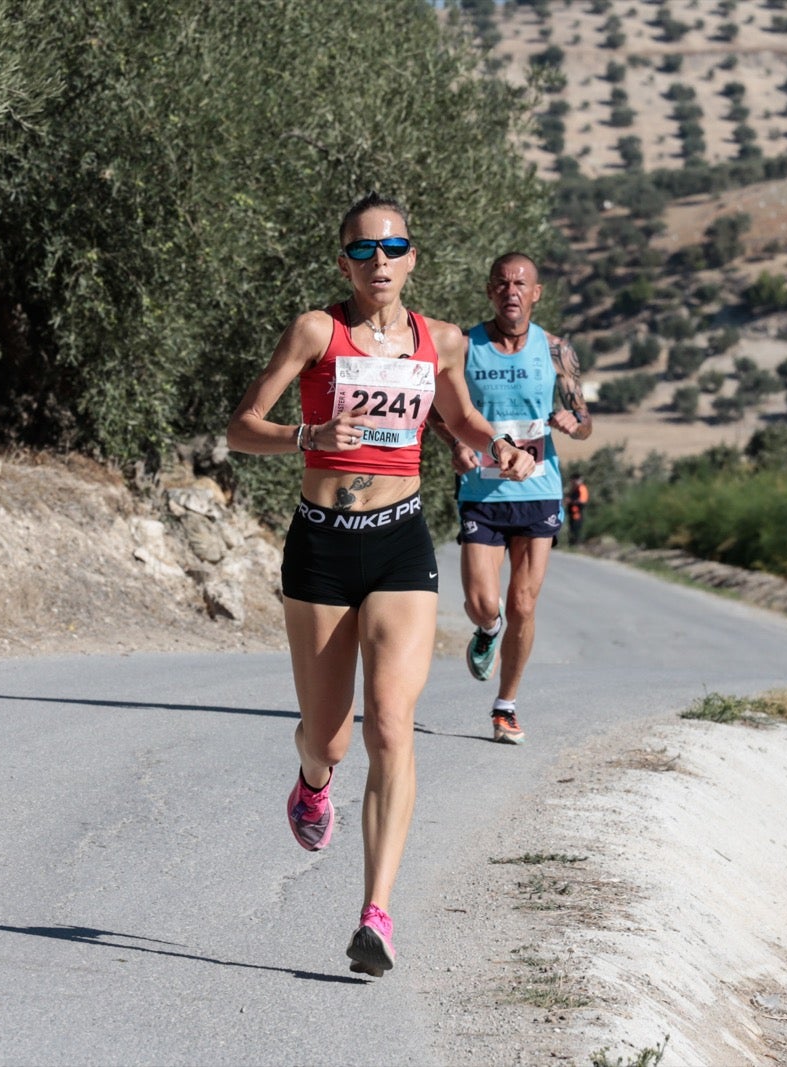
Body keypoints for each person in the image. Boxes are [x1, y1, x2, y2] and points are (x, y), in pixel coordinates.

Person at [225, 193, 535, 979]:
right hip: (322, 549)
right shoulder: (316, 331)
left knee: (391, 726)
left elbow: (458, 422)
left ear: (413, 257)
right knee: (327, 736)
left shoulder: (443, 341)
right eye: (364, 252)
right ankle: (311, 782)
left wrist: (501, 446)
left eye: (393, 248)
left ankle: (376, 913)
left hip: (398, 545)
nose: (380, 263)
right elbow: (240, 427)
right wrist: (307, 435)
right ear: (344, 263)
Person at [428, 252, 591, 746]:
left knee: (524, 600)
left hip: (539, 487)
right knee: (483, 603)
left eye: (521, 284)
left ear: (536, 293)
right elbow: (438, 408)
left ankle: (506, 706)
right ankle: (487, 629)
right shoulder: (465, 345)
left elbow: (584, 421)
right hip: (481, 488)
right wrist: (456, 444)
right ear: (489, 291)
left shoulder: (557, 350)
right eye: (501, 284)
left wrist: (573, 422)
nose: (511, 291)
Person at [565, 473, 589, 547]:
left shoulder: (581, 488)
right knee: (572, 528)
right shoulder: (574, 488)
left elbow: (583, 500)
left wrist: (571, 501)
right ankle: (572, 544)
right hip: (572, 512)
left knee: (576, 529)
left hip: (577, 513)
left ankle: (576, 544)